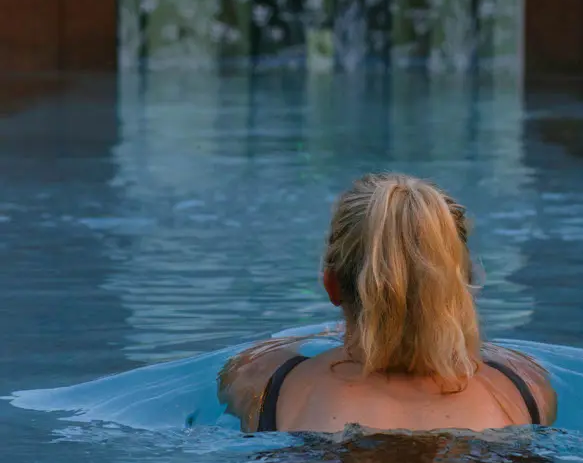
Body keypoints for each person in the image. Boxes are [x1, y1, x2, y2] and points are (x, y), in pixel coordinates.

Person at [219, 173, 557, 433]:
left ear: (331, 285)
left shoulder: (261, 378)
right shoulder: (525, 385)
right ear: (460, 289)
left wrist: (324, 336)